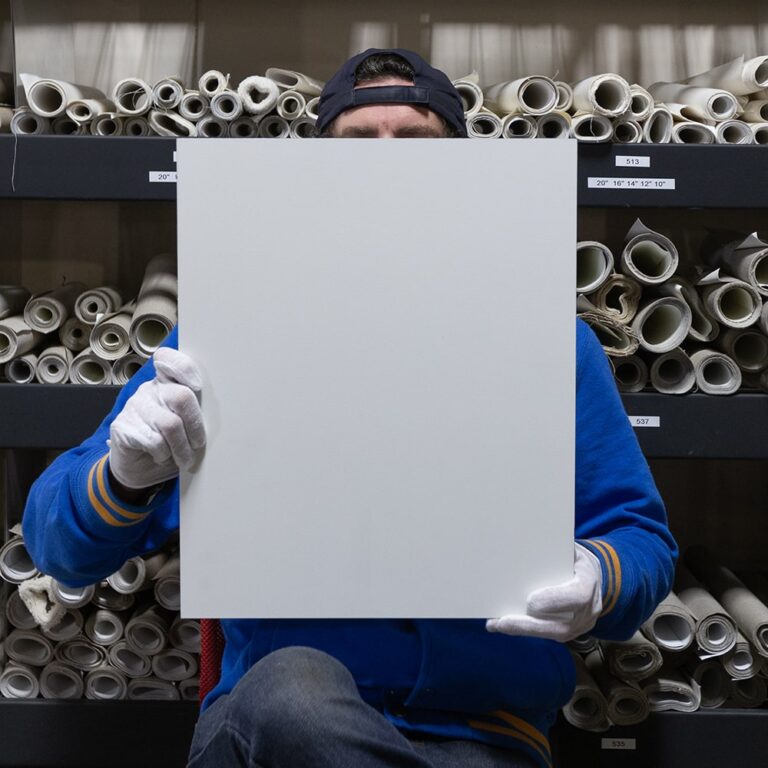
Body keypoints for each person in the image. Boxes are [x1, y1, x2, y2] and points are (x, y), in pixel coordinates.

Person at [23, 49, 677, 768]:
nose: (386, 164)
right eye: (359, 142)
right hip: (272, 730)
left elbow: (640, 536)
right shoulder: (230, 338)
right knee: (294, 690)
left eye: (416, 142)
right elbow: (58, 546)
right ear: (318, 171)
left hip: (482, 736)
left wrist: (600, 579)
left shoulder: (548, 344)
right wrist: (124, 474)